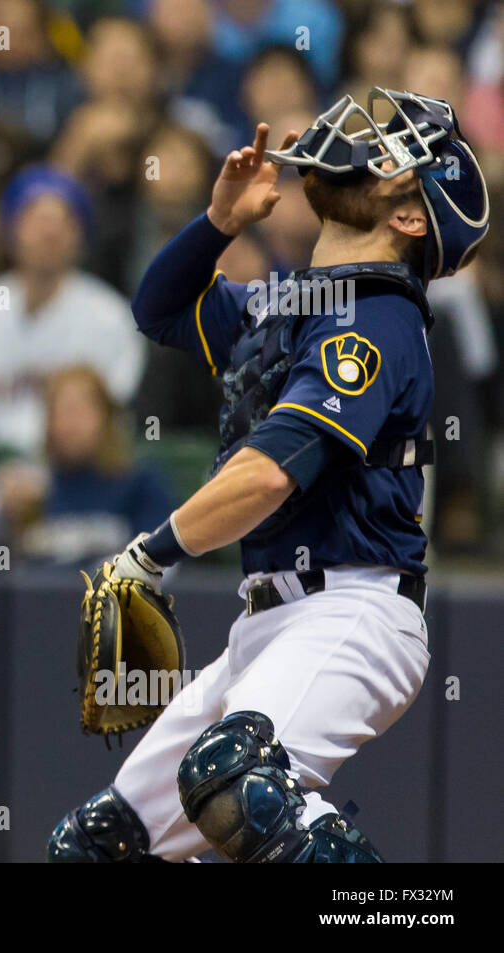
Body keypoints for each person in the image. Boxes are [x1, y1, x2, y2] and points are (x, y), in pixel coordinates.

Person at [48, 88, 489, 863]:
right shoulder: (292, 301)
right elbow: (158, 309)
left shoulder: (376, 314)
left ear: (411, 217)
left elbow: (269, 474)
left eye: (393, 154)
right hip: (267, 620)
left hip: (356, 606)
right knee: (99, 847)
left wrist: (151, 554)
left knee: (240, 782)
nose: (370, 144)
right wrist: (218, 223)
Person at [0, 165, 144, 455]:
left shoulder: (110, 315)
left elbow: (116, 417)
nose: (48, 233)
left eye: (64, 221)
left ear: (81, 236)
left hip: (74, 470)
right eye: (35, 219)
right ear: (10, 231)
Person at [0, 366, 175, 569]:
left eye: (80, 411)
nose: (69, 424)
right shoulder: (30, 485)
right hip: (33, 610)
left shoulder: (139, 483)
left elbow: (165, 565)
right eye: (59, 412)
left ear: (107, 417)